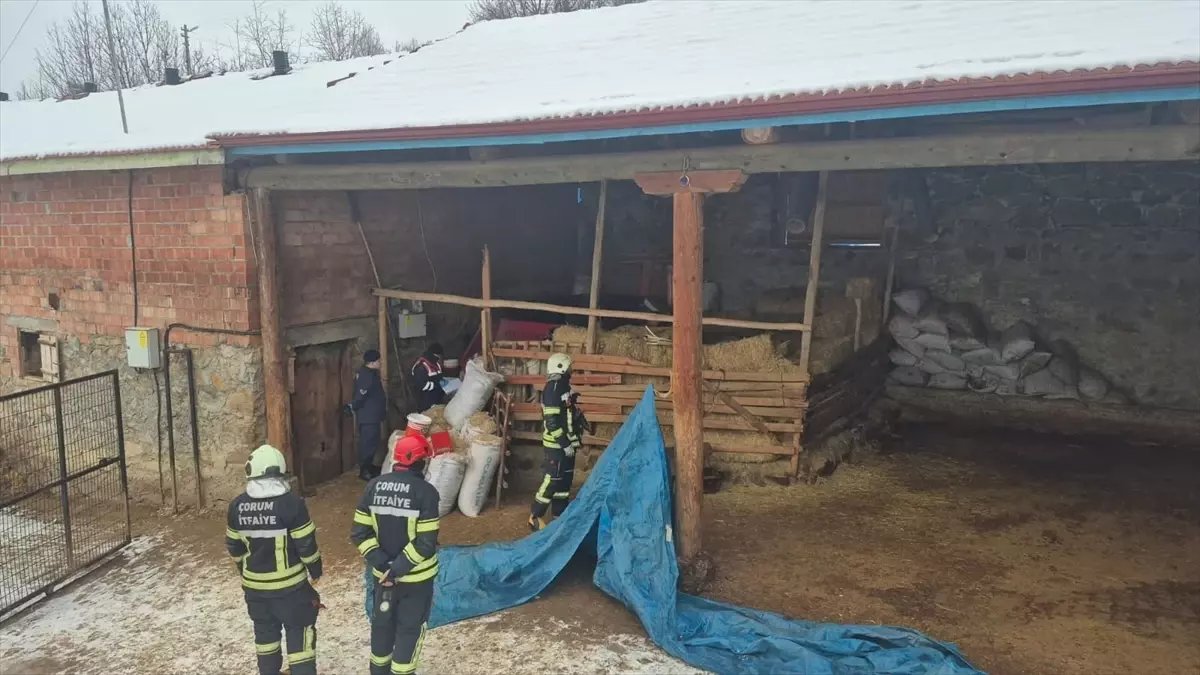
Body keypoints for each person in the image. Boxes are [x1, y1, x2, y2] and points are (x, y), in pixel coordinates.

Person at [225, 444, 322, 675]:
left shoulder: (237, 506)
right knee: (300, 635)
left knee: (265, 636)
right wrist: (315, 570)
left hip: (255, 589)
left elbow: (234, 546)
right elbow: (306, 544)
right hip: (291, 589)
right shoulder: (292, 504)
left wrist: (244, 570)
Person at [351, 434, 440, 675]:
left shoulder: (373, 486)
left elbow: (359, 533)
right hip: (416, 580)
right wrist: (397, 568)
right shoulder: (426, 492)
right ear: (420, 462)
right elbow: (426, 543)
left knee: (382, 629)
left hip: (383, 579)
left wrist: (383, 565)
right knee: (409, 631)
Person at [529, 352, 581, 531]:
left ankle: (560, 516)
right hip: (557, 446)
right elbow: (552, 422)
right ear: (561, 367)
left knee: (564, 483)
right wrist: (564, 443)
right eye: (569, 366)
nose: (571, 369)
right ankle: (535, 515)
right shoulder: (553, 388)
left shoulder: (563, 387)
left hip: (567, 445)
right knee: (552, 479)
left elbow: (566, 415)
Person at [346, 348, 387, 480]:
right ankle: (364, 471)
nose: (380, 362)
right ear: (373, 362)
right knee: (367, 443)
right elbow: (361, 395)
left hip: (373, 415)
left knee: (373, 442)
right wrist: (353, 406)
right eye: (378, 360)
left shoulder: (370, 373)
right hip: (368, 416)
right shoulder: (366, 376)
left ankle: (369, 466)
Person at [410, 343, 446, 411]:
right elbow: (422, 385)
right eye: (439, 356)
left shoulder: (436, 363)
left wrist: (443, 381)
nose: (440, 358)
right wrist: (437, 385)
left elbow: (438, 376)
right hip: (425, 401)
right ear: (434, 355)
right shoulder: (421, 366)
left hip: (437, 398)